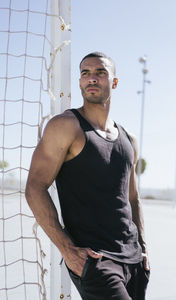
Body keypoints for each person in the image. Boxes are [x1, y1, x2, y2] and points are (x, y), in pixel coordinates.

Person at [25, 52, 150, 300]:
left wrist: (143, 248)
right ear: (80, 81)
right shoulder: (65, 126)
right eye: (85, 73)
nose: (91, 78)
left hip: (134, 260)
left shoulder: (129, 140)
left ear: (114, 82)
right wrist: (67, 249)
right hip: (96, 261)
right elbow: (35, 187)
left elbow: (132, 199)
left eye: (100, 72)